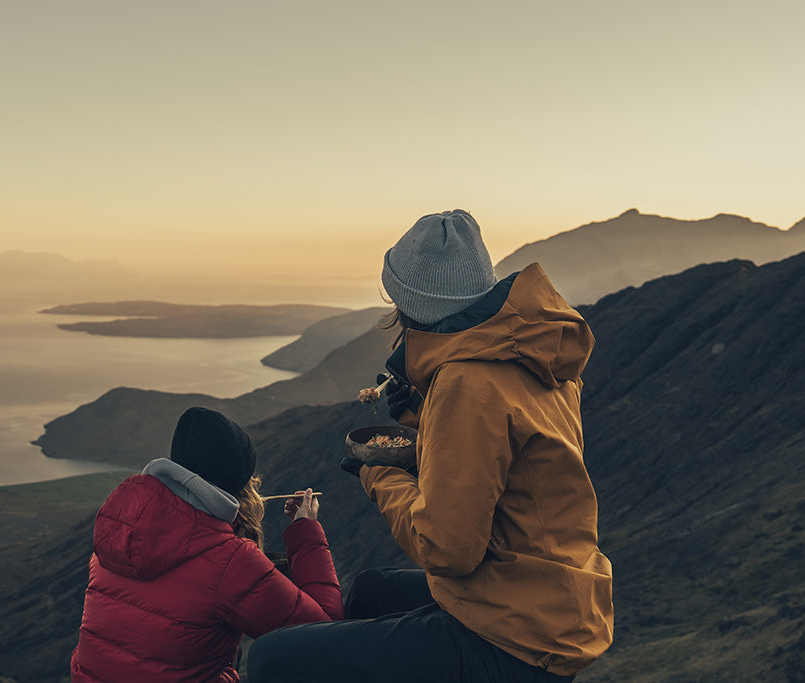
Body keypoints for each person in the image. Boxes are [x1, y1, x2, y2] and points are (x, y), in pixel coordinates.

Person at [248, 210, 614, 682]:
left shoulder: (467, 381)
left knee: (273, 659)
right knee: (370, 593)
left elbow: (447, 550)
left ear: (410, 304)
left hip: (517, 635)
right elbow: (505, 455)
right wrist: (419, 415)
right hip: (556, 596)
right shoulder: (533, 351)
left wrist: (378, 474)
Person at [70, 406, 341, 683]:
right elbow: (325, 636)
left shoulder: (121, 530)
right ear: (239, 482)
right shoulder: (232, 560)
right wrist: (305, 529)